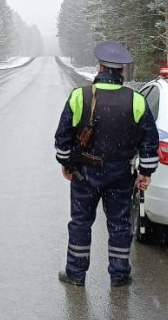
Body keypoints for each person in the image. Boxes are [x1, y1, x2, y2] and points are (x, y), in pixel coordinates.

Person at [53, 41, 160, 287]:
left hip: (84, 173)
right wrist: (146, 172)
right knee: (120, 224)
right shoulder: (136, 100)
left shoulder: (80, 96)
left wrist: (66, 164)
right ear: (121, 71)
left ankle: (75, 274)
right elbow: (149, 142)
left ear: (99, 67)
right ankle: (120, 275)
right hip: (121, 174)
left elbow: (63, 137)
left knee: (80, 223)